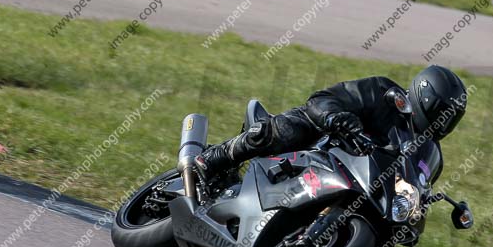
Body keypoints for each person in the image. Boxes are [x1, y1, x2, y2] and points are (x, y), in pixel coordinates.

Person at [195, 65, 468, 180]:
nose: (445, 122)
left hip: (356, 183)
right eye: (443, 112)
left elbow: (415, 188)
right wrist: (340, 119)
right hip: (321, 143)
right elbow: (323, 99)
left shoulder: (431, 156)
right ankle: (217, 157)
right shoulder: (385, 93)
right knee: (287, 130)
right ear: (425, 98)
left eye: (452, 118)